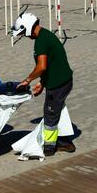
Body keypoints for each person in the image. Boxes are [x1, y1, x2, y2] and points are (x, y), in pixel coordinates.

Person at [12, 12, 75, 156]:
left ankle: (50, 147)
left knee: (50, 114)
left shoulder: (41, 40)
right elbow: (52, 64)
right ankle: (64, 141)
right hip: (61, 81)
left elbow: (41, 66)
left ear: (28, 27)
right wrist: (42, 83)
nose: (25, 36)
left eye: (23, 33)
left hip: (59, 84)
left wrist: (27, 80)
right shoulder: (45, 35)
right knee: (56, 110)